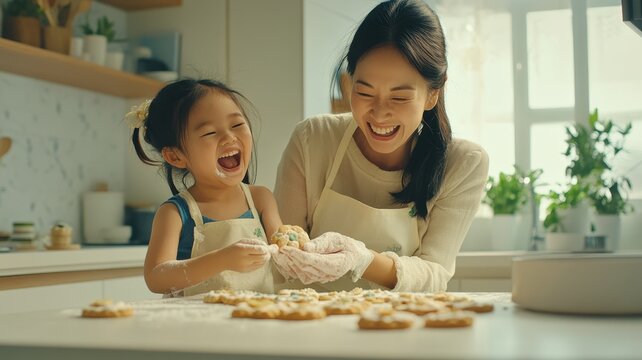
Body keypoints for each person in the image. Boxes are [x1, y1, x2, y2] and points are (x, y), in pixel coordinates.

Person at [274, 0, 489, 292]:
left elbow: (434, 273)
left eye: (399, 98)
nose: (379, 113)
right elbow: (282, 254)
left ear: (432, 94)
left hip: (402, 329)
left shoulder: (463, 163)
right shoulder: (313, 140)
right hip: (315, 327)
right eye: (364, 92)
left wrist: (361, 260)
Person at [129, 79, 282, 296]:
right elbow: (156, 277)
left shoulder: (261, 200)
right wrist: (222, 260)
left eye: (237, 125)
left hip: (257, 322)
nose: (229, 137)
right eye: (210, 133)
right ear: (175, 155)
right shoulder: (174, 213)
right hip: (194, 327)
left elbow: (284, 251)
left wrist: (311, 255)